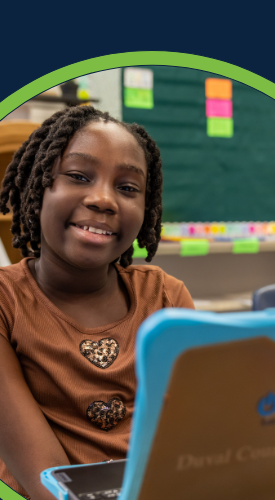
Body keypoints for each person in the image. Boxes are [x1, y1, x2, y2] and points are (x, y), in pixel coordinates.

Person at [0, 106, 193, 499]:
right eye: (78, 176)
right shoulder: (7, 303)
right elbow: (50, 484)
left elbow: (196, 443)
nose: (104, 199)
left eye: (128, 188)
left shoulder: (166, 298)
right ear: (38, 186)